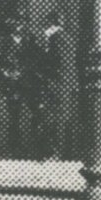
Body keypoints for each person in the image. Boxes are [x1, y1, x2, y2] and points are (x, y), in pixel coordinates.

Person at [34, 10, 78, 160]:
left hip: (57, 84)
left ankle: (55, 153)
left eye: (46, 23)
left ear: (51, 23)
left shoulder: (57, 39)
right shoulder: (66, 38)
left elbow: (58, 63)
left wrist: (47, 76)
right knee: (63, 118)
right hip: (64, 84)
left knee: (55, 118)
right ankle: (64, 152)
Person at [0, 16, 32, 158]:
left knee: (25, 112)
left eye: (22, 24)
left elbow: (30, 60)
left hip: (24, 81)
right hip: (10, 82)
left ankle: (23, 144)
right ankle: (14, 145)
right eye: (17, 24)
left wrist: (23, 72)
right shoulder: (4, 42)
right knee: (13, 113)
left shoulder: (27, 42)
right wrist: (6, 74)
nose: (19, 27)